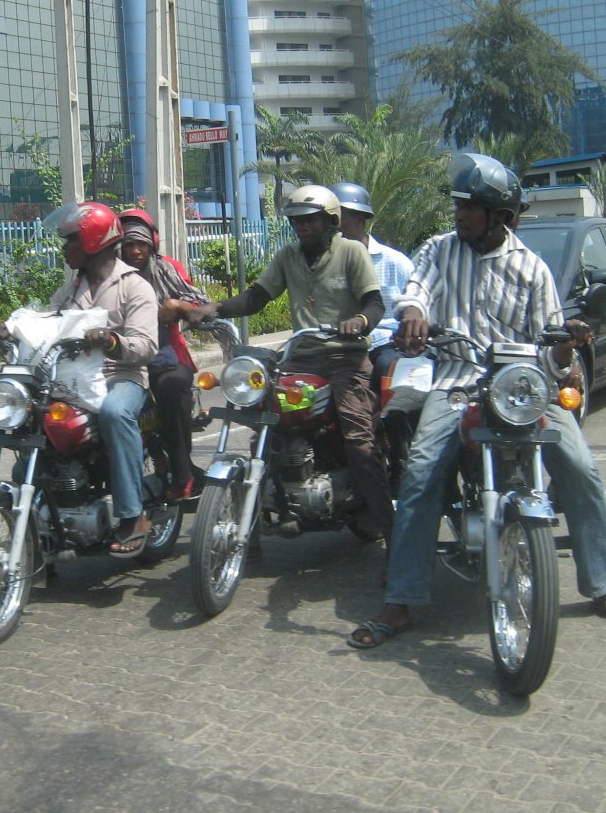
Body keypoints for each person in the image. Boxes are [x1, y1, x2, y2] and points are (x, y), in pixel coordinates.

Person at [346, 153, 606, 650]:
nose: (459, 215)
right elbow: (416, 290)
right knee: (420, 474)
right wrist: (416, 312)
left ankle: (601, 583)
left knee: (581, 468)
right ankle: (401, 599)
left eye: (471, 207)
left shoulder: (532, 268)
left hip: (523, 387)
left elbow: (551, 353)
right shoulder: (440, 250)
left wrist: (565, 344)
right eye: (459, 205)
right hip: (456, 381)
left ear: (499, 215)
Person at [186, 183, 394, 544]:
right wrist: (217, 308)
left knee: (359, 439)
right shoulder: (288, 256)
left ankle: (392, 534)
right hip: (300, 358)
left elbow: (374, 303)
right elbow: (258, 297)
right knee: (267, 424)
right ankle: (265, 518)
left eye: (310, 220)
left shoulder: (351, 253)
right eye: (297, 221)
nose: (303, 227)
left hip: (345, 357)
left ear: (330, 221)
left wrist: (359, 322)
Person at [0, 201, 158, 556]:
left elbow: (146, 347)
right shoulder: (70, 291)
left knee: (116, 413)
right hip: (73, 382)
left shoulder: (134, 287)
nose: (64, 249)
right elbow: (45, 324)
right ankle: (36, 510)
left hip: (122, 376)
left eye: (70, 241)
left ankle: (133, 515)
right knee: (31, 415)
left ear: (93, 241)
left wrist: (113, 341)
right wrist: (12, 329)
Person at [331, 182, 417, 489]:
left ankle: (400, 456)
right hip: (336, 346)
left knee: (389, 375)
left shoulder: (396, 263)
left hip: (382, 343)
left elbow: (412, 307)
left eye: (340, 216)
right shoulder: (325, 263)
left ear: (359, 219)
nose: (334, 225)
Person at [117, 208, 207, 500]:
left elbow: (199, 304)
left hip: (166, 355)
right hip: (118, 358)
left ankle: (182, 474)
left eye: (140, 244)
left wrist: (177, 306)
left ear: (152, 243)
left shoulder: (167, 268)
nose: (134, 250)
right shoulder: (108, 273)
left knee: (173, 386)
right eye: (128, 244)